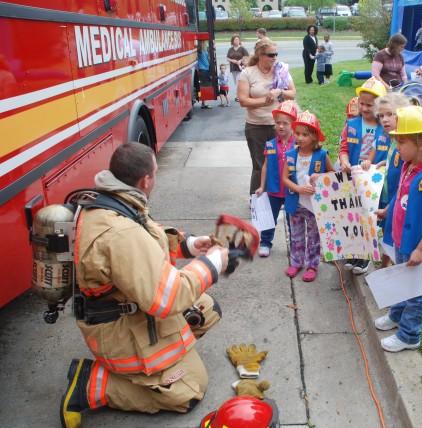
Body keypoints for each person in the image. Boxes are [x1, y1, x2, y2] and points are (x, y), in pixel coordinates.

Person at [60, 143, 230, 428]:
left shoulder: (113, 200)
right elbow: (167, 298)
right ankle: (92, 383)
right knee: (189, 389)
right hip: (117, 328)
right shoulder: (119, 231)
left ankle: (161, 364)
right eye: (156, 173)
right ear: (146, 179)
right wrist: (213, 264)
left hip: (125, 308)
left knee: (207, 310)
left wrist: (189, 245)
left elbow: (148, 236)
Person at [373, 106, 422, 352]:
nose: (397, 147)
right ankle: (396, 315)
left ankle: (409, 335)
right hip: (400, 241)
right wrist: (387, 211)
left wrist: (420, 249)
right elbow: (400, 193)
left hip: (415, 247)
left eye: (401, 141)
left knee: (415, 294)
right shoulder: (409, 167)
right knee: (400, 281)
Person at [338, 78, 388, 275]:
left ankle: (366, 256)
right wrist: (343, 161)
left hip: (376, 183)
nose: (365, 108)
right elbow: (343, 148)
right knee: (353, 215)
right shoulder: (351, 124)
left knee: (370, 216)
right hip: (353, 179)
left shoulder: (386, 128)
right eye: (362, 103)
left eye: (370, 104)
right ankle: (354, 251)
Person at [238, 40, 296, 196]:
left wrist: (279, 92)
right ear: (260, 54)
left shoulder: (281, 70)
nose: (274, 58)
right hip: (256, 126)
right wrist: (266, 101)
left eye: (276, 54)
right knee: (259, 164)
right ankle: (256, 200)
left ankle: (279, 195)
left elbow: (292, 93)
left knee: (282, 163)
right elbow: (243, 100)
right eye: (271, 54)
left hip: (280, 126)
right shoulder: (247, 73)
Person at [282, 111, 335, 282]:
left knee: (314, 235)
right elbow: (284, 178)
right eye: (297, 134)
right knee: (296, 234)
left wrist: (320, 176)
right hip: (295, 202)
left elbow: (332, 173)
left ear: (314, 136)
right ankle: (296, 262)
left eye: (305, 134)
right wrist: (298, 189)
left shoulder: (321, 154)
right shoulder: (291, 155)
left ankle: (312, 264)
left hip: (314, 205)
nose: (300, 138)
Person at [255, 101, 299, 258]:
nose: (281, 126)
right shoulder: (271, 144)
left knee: (292, 220)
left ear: (293, 125)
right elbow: (265, 166)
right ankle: (265, 243)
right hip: (273, 189)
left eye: (285, 123)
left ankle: (295, 246)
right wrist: (262, 186)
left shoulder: (298, 144)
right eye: (278, 123)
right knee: (269, 219)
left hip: (291, 190)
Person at [374, 92, 411, 268]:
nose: (384, 119)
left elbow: (405, 182)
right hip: (391, 199)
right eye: (381, 115)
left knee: (395, 238)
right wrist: (384, 163)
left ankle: (388, 268)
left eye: (390, 114)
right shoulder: (395, 141)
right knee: (387, 232)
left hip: (399, 203)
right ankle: (386, 265)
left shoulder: (405, 145)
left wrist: (389, 208)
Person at [226, 35, 250, 103]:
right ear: (233, 41)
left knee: (238, 82)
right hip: (233, 67)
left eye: (238, 40)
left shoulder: (242, 48)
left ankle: (238, 96)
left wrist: (241, 60)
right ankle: (240, 94)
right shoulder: (230, 49)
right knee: (235, 81)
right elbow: (227, 58)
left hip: (241, 67)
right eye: (235, 40)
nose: (237, 41)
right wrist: (232, 60)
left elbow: (247, 56)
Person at [197, 42, 212, 109]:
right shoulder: (201, 51)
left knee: (203, 85)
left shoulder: (201, 51)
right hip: (203, 69)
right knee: (206, 85)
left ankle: (203, 101)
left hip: (204, 69)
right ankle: (204, 102)